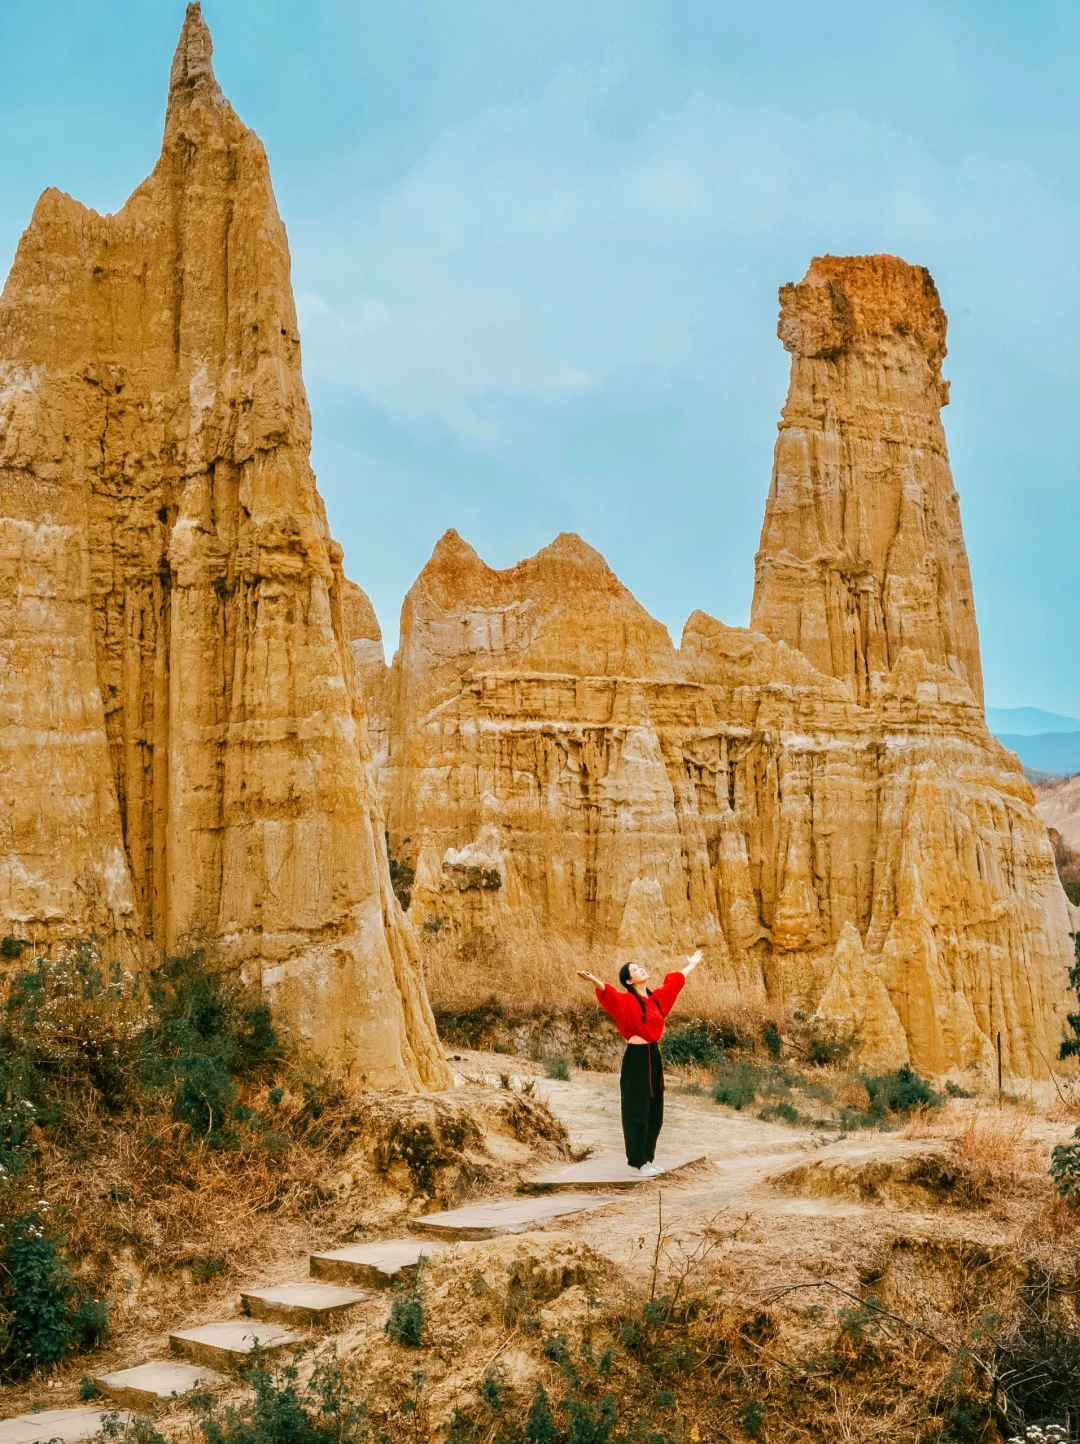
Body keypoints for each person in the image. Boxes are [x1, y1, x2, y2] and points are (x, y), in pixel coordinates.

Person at [576, 949, 702, 1176]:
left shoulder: (655, 1000)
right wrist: (594, 980)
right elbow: (608, 992)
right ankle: (637, 1162)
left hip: (653, 1056)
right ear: (628, 980)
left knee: (655, 1111)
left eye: (639, 966)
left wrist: (692, 964)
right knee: (637, 1109)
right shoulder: (624, 1001)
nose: (640, 969)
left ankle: (647, 1159)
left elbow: (674, 984)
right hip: (636, 1058)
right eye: (634, 969)